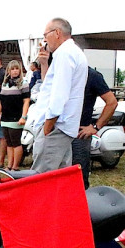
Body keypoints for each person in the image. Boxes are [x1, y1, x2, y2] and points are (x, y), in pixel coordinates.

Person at [30, 17, 88, 174]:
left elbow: (59, 94)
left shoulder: (64, 53)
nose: (44, 41)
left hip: (56, 126)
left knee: (41, 179)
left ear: (57, 33)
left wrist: (48, 126)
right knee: (60, 178)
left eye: (45, 35)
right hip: (62, 127)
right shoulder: (74, 52)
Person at [74, 67, 117, 189]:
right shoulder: (61, 71)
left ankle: (82, 206)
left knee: (79, 180)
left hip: (79, 134)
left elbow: (112, 102)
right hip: (60, 133)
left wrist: (95, 127)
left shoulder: (92, 75)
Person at [0, 60, 30, 171]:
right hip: (6, 116)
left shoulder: (23, 82)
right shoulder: (5, 83)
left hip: (16, 116)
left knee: (16, 142)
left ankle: (15, 166)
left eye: (17, 69)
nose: (15, 71)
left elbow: (26, 101)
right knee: (8, 143)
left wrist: (23, 116)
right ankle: (9, 165)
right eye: (12, 69)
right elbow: (1, 100)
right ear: (8, 71)